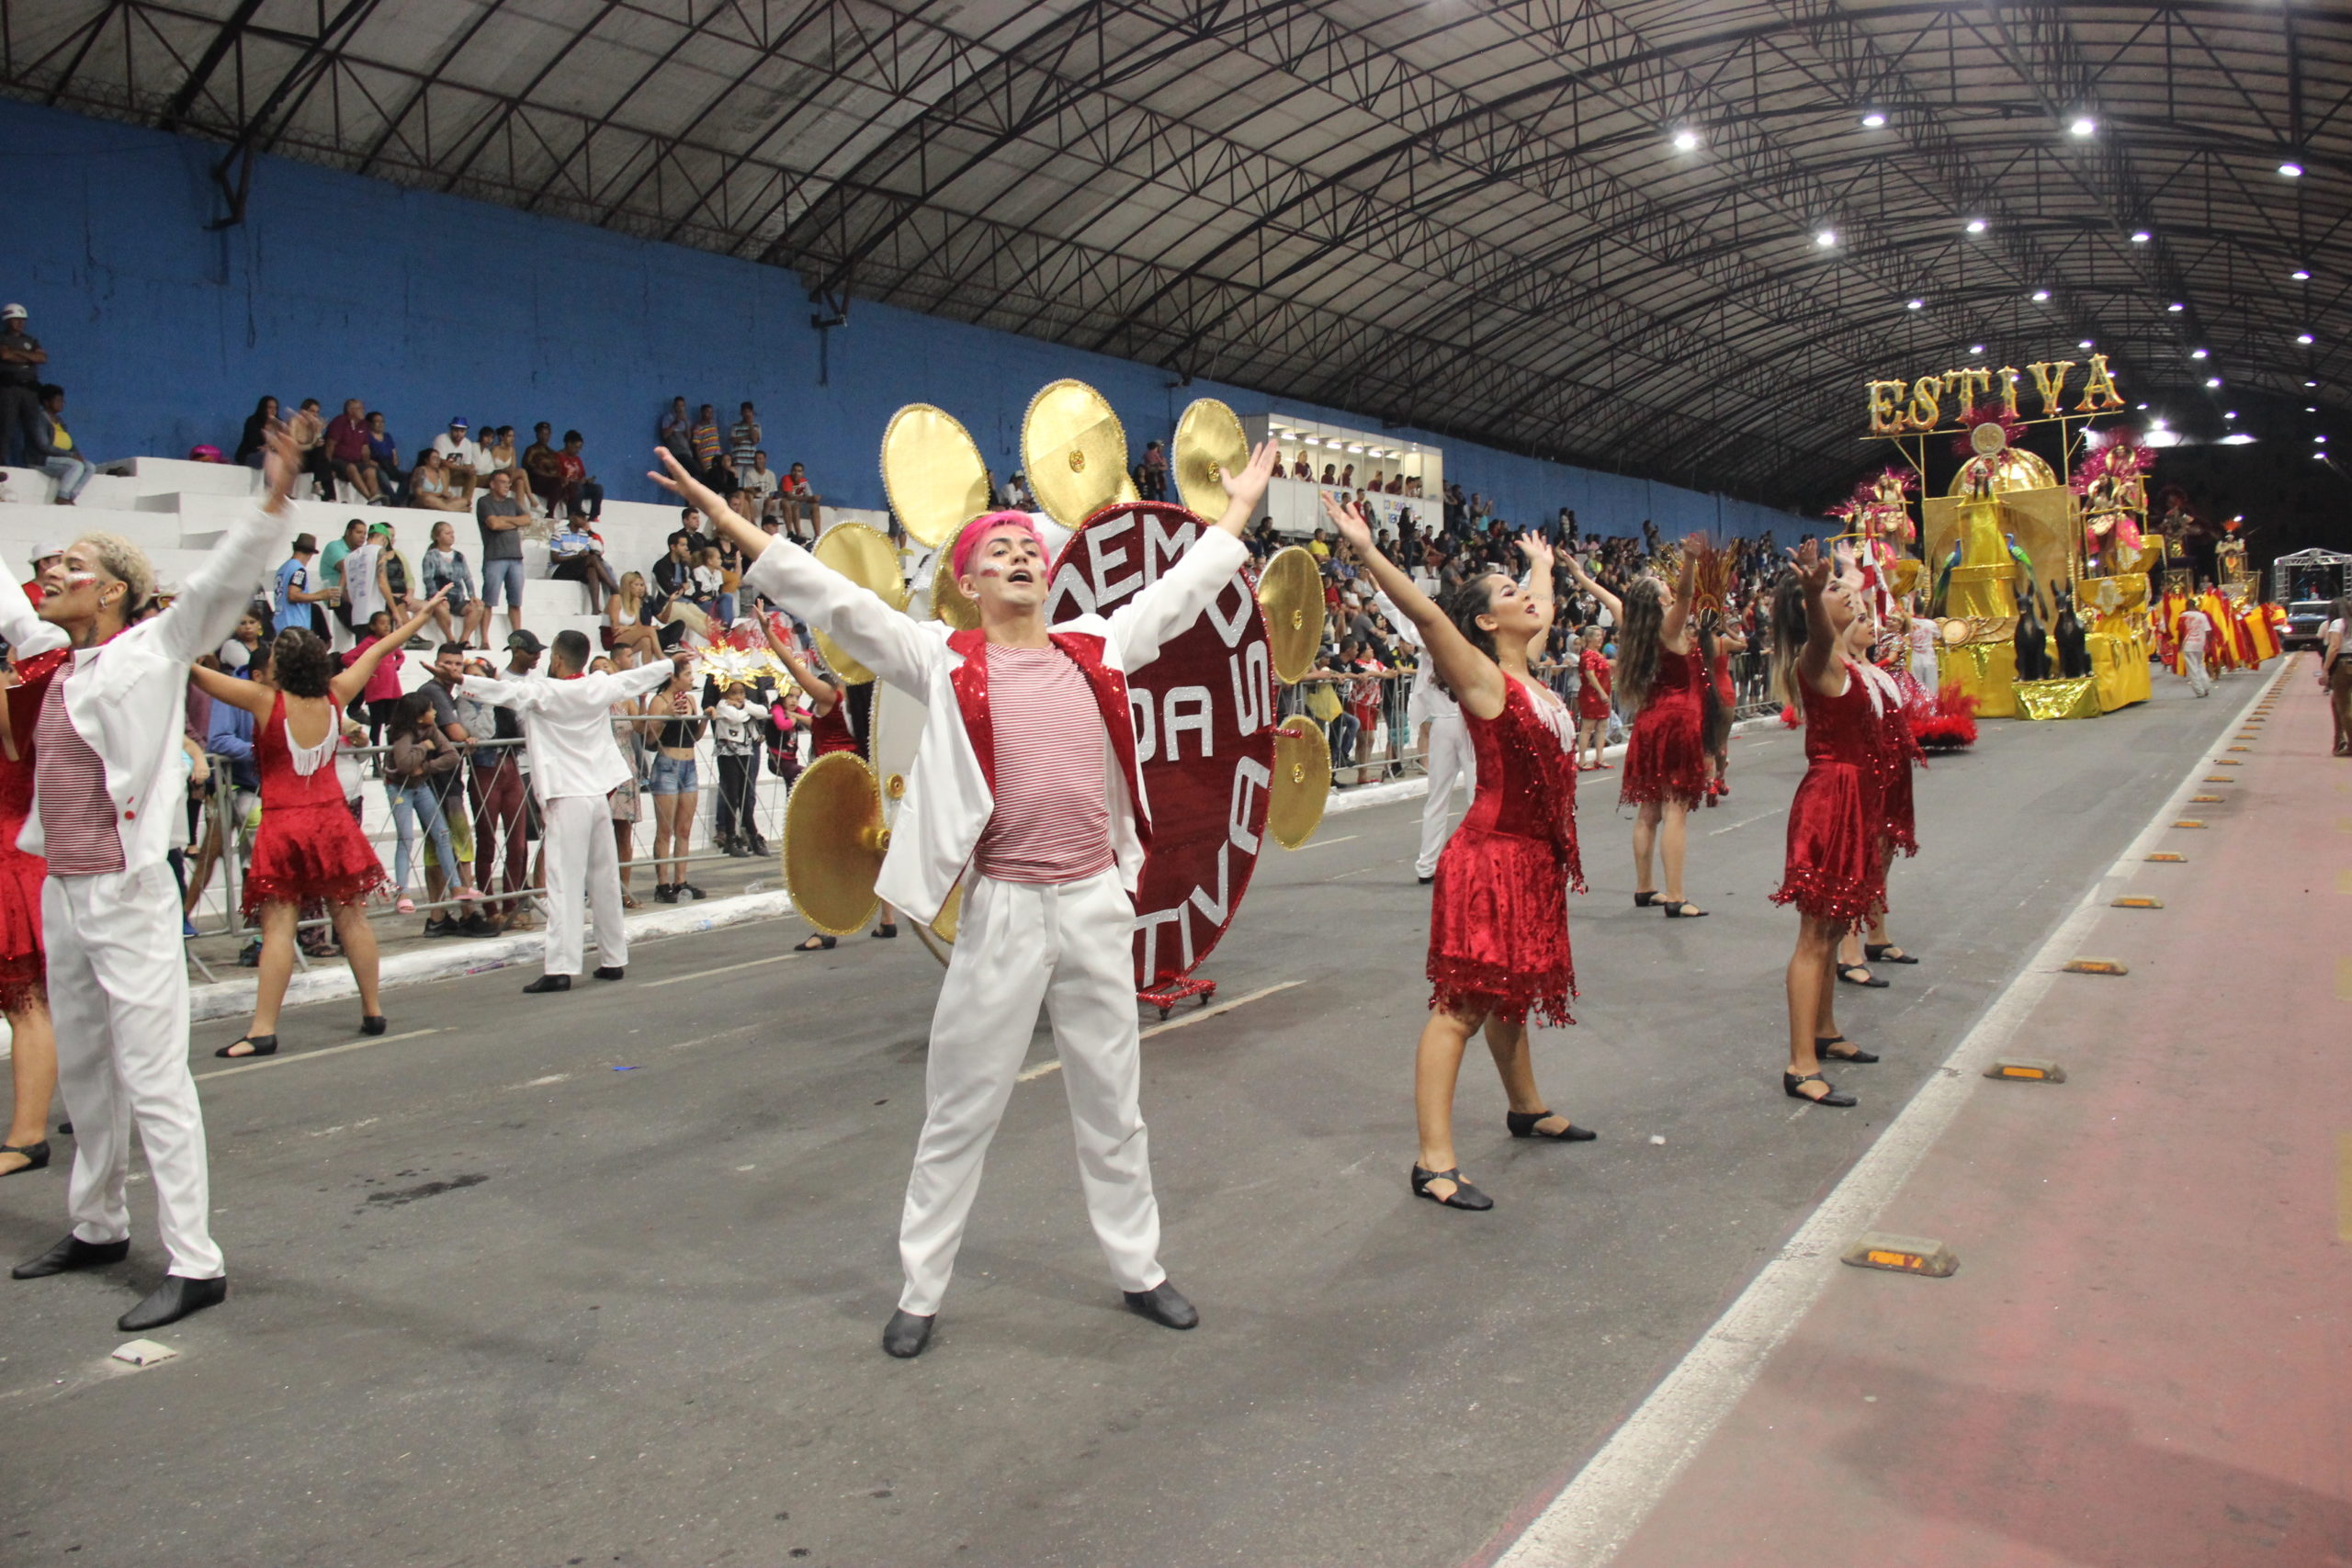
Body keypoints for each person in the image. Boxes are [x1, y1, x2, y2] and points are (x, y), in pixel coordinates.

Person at [657, 433, 1278, 1360]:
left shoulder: (1098, 644)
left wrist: (1237, 511)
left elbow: (1183, 589)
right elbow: (830, 596)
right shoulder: (941, 660)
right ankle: (921, 1288)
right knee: (961, 1108)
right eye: (1001, 555)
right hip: (1003, 915)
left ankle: (1139, 1269)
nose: (1023, 560)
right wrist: (723, 516)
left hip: (1095, 906)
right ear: (970, 585)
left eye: (1031, 551)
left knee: (1114, 1100)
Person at [5, 413, 299, 1334]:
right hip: (64, 887)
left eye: (77, 568)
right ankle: (95, 1226)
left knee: (152, 1077)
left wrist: (272, 501)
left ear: (120, 593)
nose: (55, 575)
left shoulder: (155, 647)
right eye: (53, 566)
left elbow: (217, 587)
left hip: (128, 893)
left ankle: (195, 1261)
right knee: (87, 1071)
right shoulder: (62, 662)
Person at [1325, 494, 1589, 1212]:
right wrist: (1368, 550)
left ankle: (1525, 1106)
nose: (1530, 600)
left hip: (1533, 860)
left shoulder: (1527, 667)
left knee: (1515, 995)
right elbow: (1431, 616)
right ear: (1483, 622)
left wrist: (1538, 564)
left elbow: (1542, 607)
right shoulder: (1483, 679)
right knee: (1464, 1007)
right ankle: (1432, 1159)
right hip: (1491, 858)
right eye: (1509, 595)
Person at [196, 592, 445, 1059]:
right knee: (351, 915)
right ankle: (372, 1009)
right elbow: (376, 649)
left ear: (279, 667)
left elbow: (197, 675)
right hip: (331, 818)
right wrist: (422, 617)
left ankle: (263, 1029)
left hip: (284, 822)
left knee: (278, 928)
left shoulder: (264, 700)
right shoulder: (338, 695)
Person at [458, 630, 684, 991]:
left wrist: (461, 679)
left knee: (564, 882)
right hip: (598, 793)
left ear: (558, 660)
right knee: (605, 879)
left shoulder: (546, 691)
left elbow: (505, 692)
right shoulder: (599, 685)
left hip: (567, 794)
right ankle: (613, 959)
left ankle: (560, 968)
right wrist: (671, 663)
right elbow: (633, 678)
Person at [1766, 541, 1879, 1110]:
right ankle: (1799, 1063)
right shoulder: (1817, 660)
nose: (1846, 593)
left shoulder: (1852, 661)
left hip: (1854, 799)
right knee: (1814, 936)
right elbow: (1816, 630)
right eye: (1837, 591)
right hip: (1828, 802)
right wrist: (1814, 593)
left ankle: (1826, 1031)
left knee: (1835, 930)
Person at [1567, 549, 1707, 918]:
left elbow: (1607, 597)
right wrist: (1690, 563)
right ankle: (1676, 895)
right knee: (1675, 809)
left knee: (1649, 809)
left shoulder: (1632, 626)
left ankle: (1645, 887)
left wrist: (1579, 576)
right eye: (1665, 588)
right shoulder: (1668, 627)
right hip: (1677, 721)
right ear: (1661, 599)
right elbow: (1688, 595)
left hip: (1649, 721)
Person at [0, 641, 67, 1179]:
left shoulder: (18, 698)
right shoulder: (28, 695)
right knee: (39, 1002)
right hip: (23, 860)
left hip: (11, 865)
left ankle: (27, 1136)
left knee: (27, 1004)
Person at [1375, 586, 1474, 883]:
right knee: (1478, 797)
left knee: (1437, 799)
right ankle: (1476, 862)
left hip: (1445, 724)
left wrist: (1380, 592)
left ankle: (1426, 866)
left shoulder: (1427, 635)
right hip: (1469, 723)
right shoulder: (1470, 636)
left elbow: (1400, 615)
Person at [379, 691, 474, 916]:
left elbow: (451, 755)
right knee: (406, 838)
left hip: (420, 785)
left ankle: (456, 886)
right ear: (419, 716)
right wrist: (423, 748)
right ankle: (402, 892)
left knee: (442, 833)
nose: (435, 712)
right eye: (431, 709)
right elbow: (403, 764)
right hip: (400, 788)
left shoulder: (431, 729)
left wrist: (426, 767)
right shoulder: (403, 734)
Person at [471, 629, 541, 931]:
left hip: (512, 765)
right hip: (487, 768)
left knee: (518, 843)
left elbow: (524, 729)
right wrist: (489, 697)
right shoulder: (472, 702)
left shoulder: (516, 690)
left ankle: (513, 903)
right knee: (487, 840)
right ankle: (490, 908)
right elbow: (482, 732)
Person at [642, 660, 706, 904]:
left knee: (684, 828)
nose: (691, 678)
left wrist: (704, 719)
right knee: (665, 829)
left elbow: (695, 736)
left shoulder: (690, 700)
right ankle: (662, 883)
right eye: (687, 674)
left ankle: (681, 880)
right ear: (674, 677)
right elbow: (649, 737)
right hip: (667, 763)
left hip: (688, 764)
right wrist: (666, 716)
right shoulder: (659, 701)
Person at [707, 681, 770, 858]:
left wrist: (744, 705)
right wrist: (745, 709)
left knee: (745, 793)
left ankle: (752, 834)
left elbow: (763, 712)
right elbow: (737, 718)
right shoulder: (722, 705)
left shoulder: (744, 704)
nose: (739, 697)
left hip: (744, 750)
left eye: (742, 693)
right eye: (734, 693)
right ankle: (731, 837)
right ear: (726, 694)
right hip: (728, 752)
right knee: (732, 795)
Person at [475, 469, 530, 639]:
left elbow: (527, 520)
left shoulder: (512, 503)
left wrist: (504, 520)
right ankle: (484, 639)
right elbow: (493, 524)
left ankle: (517, 637)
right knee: (489, 600)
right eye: (503, 482)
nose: (507, 486)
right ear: (492, 484)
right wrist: (514, 523)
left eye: (508, 483)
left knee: (515, 602)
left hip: (515, 557)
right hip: (494, 557)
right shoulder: (484, 501)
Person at [343, 608, 408, 748]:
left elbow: (401, 656)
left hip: (392, 688)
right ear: (373, 626)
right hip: (376, 689)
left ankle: (390, 758)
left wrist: (394, 665)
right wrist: (363, 670)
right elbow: (347, 658)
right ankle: (375, 758)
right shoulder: (368, 643)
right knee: (376, 725)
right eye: (382, 623)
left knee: (392, 725)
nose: (387, 626)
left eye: (389, 623)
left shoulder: (390, 641)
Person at [419, 518, 485, 649]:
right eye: (447, 533)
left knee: (478, 607)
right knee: (441, 607)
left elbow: (467, 577)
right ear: (438, 536)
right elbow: (428, 578)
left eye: (452, 533)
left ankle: (464, 639)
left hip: (457, 597)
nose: (451, 536)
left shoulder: (459, 556)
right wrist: (436, 596)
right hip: (439, 595)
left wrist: (472, 595)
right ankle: (450, 639)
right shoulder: (431, 555)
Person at [0, 303, 50, 468]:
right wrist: (30, 357)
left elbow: (42, 358)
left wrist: (18, 353)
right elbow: (5, 355)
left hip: (29, 389)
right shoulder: (2, 338)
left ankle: (33, 463)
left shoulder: (31, 340)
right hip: (9, 388)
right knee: (6, 425)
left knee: (32, 428)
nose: (21, 323)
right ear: (8, 320)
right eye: (16, 320)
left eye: (23, 320)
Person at [32, 385, 93, 504]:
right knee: (76, 466)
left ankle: (70, 496)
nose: (62, 403)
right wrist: (70, 455)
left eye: (62, 400)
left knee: (90, 467)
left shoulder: (59, 421)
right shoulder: (40, 419)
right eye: (58, 400)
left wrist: (77, 454)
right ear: (46, 402)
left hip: (62, 458)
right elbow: (43, 446)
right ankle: (62, 496)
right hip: (42, 460)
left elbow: (69, 442)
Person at [549, 515, 617, 611]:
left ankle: (595, 609)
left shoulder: (584, 534)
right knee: (592, 559)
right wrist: (577, 556)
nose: (585, 520)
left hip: (575, 568)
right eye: (581, 517)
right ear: (573, 517)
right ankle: (613, 587)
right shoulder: (559, 532)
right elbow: (554, 558)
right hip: (559, 569)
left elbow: (585, 557)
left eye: (586, 518)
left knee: (592, 570)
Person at [323, 398, 380, 503]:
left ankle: (376, 497)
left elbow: (365, 450)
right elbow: (330, 445)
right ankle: (369, 498)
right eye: (360, 408)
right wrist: (327, 467)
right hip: (338, 460)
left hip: (355, 461)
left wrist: (366, 465)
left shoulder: (363, 425)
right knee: (351, 468)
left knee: (370, 471)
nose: (363, 410)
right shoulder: (340, 422)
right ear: (350, 410)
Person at [1573, 626, 1612, 772]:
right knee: (1588, 727)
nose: (1600, 639)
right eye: (1597, 636)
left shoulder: (1598, 654)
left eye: (1601, 636)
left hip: (1603, 694)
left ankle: (1600, 758)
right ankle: (1582, 760)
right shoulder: (1588, 654)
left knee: (1602, 726)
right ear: (1588, 638)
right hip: (1591, 695)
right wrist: (1601, 692)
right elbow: (1590, 675)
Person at [2177, 595, 2213, 697]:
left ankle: (2199, 691)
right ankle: (2206, 686)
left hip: (2188, 644)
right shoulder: (2202, 616)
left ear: (2186, 606)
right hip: (2200, 644)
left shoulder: (2183, 616)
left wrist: (2180, 645)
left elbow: (2180, 632)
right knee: (2200, 665)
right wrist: (2209, 644)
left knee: (2192, 669)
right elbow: (2208, 631)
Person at [233, 395, 278, 468]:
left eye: (275, 408)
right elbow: (253, 444)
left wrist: (271, 448)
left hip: (271, 454)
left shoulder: (278, 423)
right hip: (251, 454)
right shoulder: (252, 421)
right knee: (268, 457)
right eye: (270, 408)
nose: (273, 411)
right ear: (263, 408)